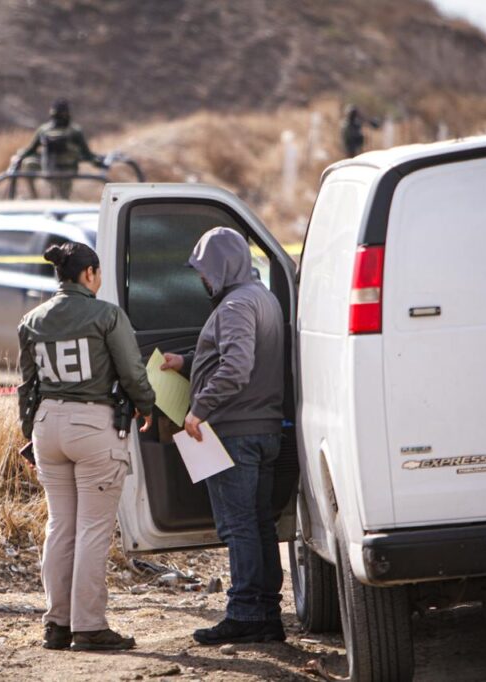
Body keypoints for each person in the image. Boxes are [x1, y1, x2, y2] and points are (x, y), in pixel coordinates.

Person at [17, 241, 156, 652]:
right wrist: (148, 406)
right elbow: (131, 372)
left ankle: (57, 624)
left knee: (60, 526)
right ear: (90, 274)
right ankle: (89, 626)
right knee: (93, 529)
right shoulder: (106, 314)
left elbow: (27, 385)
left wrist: (29, 432)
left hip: (46, 425)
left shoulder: (32, 320)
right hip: (92, 426)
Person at [159, 227, 286, 645]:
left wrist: (198, 410)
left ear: (221, 266)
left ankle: (247, 613)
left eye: (204, 270)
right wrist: (187, 362)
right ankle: (266, 612)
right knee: (259, 523)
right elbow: (230, 355)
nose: (202, 279)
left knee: (239, 526)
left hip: (234, 432)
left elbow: (235, 366)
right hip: (264, 429)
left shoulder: (234, 305)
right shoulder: (262, 297)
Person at [12, 98, 107, 198]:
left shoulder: (51, 130)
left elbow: (30, 150)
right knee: (28, 164)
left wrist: (20, 155)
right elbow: (87, 154)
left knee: (60, 196)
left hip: (61, 170)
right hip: (56, 170)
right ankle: (34, 197)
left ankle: (35, 197)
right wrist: (97, 162)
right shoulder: (71, 131)